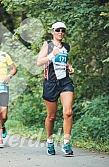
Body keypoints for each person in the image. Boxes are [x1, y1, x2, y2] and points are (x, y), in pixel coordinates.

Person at [36, 22, 75, 156]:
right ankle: (50, 141)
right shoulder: (48, 45)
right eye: (58, 30)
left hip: (65, 82)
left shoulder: (66, 47)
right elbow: (39, 62)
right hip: (50, 83)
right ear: (52, 31)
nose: (60, 32)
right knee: (51, 116)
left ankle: (66, 144)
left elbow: (63, 60)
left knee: (68, 112)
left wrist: (69, 66)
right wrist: (52, 54)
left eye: (63, 30)